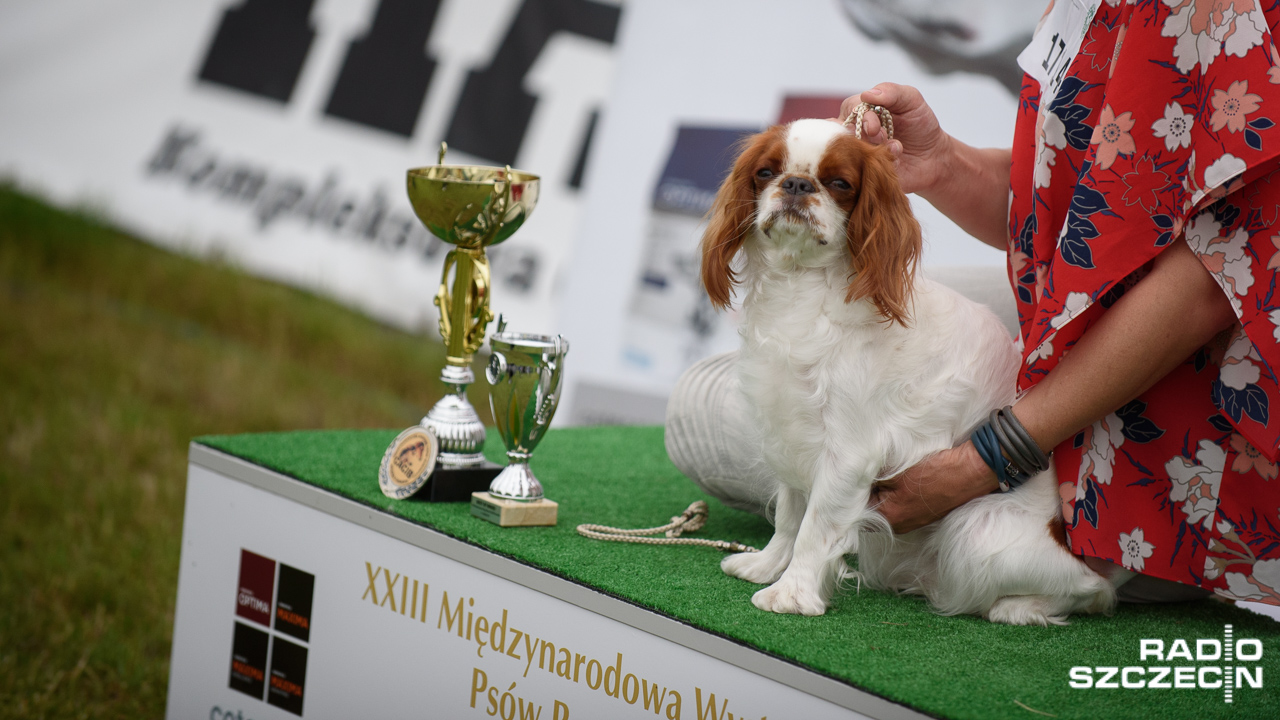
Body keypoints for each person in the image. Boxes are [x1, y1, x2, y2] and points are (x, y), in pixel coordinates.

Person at [849, 0, 1280, 605]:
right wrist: (942, 164)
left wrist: (987, 459)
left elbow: (1211, 285)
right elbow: (1071, 217)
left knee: (722, 424)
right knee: (747, 407)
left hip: (1172, 437)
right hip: (1058, 362)